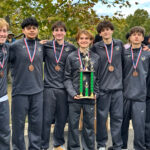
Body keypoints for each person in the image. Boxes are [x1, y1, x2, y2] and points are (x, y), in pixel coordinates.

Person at [41, 21, 76, 150]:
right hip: (49, 88)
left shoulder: (71, 48)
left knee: (61, 119)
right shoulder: (46, 46)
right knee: (46, 119)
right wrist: (37, 44)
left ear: (65, 32)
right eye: (56, 30)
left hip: (63, 88)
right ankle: (43, 145)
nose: (59, 32)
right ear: (53, 32)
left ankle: (58, 143)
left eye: (62, 30)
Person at [9, 17, 44, 150]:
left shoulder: (41, 46)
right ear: (23, 30)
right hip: (20, 91)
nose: (31, 30)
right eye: (28, 28)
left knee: (36, 124)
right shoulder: (14, 46)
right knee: (18, 125)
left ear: (37, 30)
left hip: (38, 91)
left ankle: (34, 147)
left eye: (34, 28)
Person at [64, 30, 100, 150]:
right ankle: (74, 148)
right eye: (81, 38)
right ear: (78, 40)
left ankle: (89, 148)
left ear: (91, 41)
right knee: (73, 126)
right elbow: (67, 77)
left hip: (89, 97)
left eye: (87, 38)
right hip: (75, 97)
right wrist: (73, 93)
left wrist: (95, 92)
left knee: (89, 125)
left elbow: (98, 78)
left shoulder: (96, 58)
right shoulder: (71, 56)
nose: (84, 40)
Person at [91, 20, 124, 150]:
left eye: (108, 29)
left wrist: (145, 46)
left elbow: (128, 56)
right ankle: (101, 144)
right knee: (101, 119)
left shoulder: (120, 44)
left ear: (112, 30)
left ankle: (117, 145)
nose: (106, 31)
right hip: (103, 89)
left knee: (117, 118)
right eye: (103, 30)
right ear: (100, 33)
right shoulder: (96, 47)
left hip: (117, 89)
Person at [121, 26, 150, 150]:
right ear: (130, 38)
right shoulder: (123, 53)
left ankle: (139, 147)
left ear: (143, 38)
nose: (136, 36)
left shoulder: (148, 54)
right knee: (122, 124)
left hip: (141, 96)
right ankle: (121, 146)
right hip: (125, 95)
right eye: (134, 34)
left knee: (139, 125)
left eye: (139, 34)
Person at [0, 18, 10, 150]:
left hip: (3, 98)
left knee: (5, 133)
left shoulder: (8, 48)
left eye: (4, 31)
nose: (2, 34)